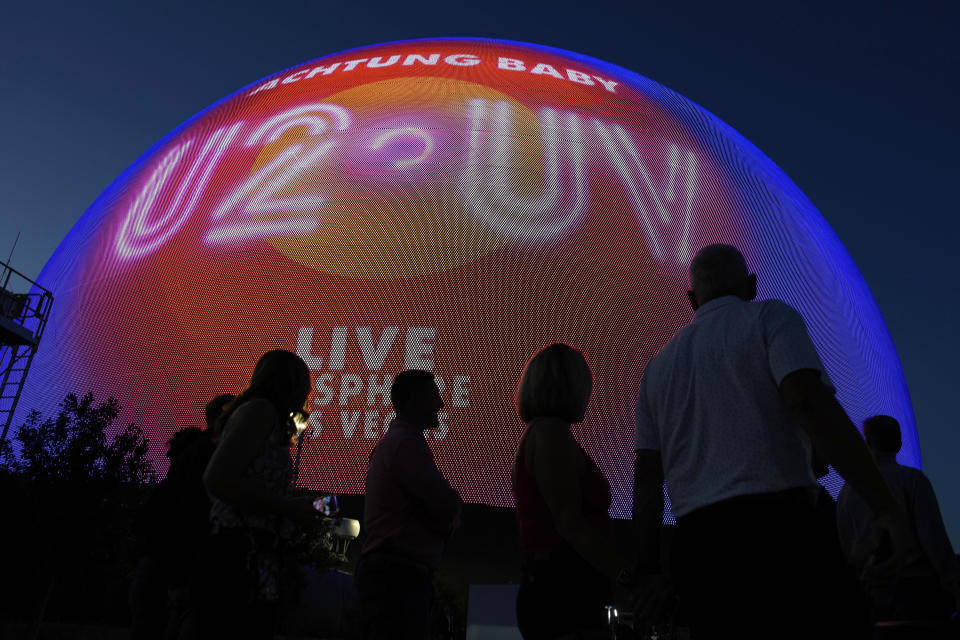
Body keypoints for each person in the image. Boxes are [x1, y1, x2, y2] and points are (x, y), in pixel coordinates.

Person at [632, 244, 905, 639]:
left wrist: (647, 567)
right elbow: (808, 401)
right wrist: (884, 506)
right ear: (752, 285)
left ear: (692, 299)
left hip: (698, 547)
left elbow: (647, 477)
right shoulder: (770, 318)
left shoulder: (656, 369)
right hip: (782, 536)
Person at [200, 350, 321, 639]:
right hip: (238, 554)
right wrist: (288, 508)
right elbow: (216, 478)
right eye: (304, 386)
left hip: (251, 552)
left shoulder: (261, 415)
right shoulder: (260, 412)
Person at [511, 343, 620, 640]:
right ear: (569, 385)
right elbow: (569, 522)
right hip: (563, 589)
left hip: (559, 587)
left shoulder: (544, 433)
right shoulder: (550, 434)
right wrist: (622, 574)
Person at [355, 369, 463, 640]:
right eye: (435, 396)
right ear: (415, 399)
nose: (441, 404)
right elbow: (446, 503)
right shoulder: (406, 445)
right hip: (398, 579)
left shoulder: (398, 443)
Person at [837, 415, 960, 623]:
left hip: (870, 592)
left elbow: (846, 541)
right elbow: (933, 538)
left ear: (867, 442)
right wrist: (952, 585)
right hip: (915, 591)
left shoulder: (848, 490)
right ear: (899, 442)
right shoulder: (913, 481)